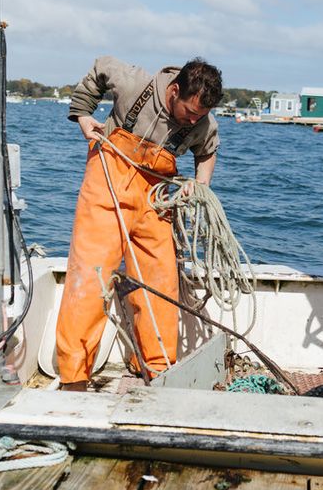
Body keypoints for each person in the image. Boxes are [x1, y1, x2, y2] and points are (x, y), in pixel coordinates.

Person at [56, 56, 223, 391]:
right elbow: (99, 68)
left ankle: (157, 368)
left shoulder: (203, 123)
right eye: (190, 112)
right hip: (107, 183)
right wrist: (83, 115)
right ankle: (74, 378)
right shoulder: (134, 83)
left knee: (160, 283)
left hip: (155, 199)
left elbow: (207, 151)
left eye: (200, 115)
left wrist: (200, 185)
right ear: (175, 91)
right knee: (91, 280)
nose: (194, 119)